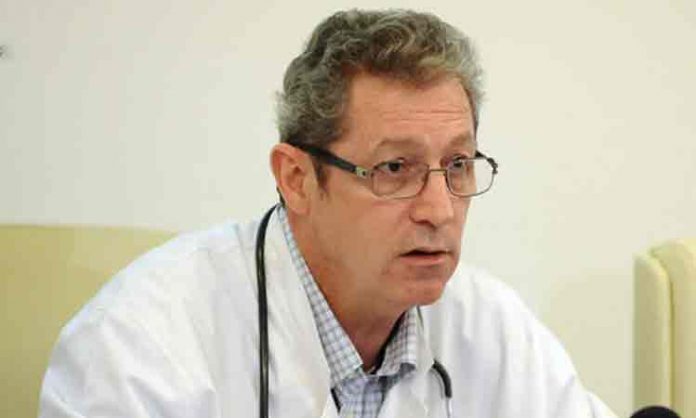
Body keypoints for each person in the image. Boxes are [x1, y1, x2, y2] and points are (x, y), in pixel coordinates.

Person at [39, 9, 617, 418]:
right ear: (296, 179)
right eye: (395, 168)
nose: (439, 210)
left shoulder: (491, 326)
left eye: (458, 164)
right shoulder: (139, 347)